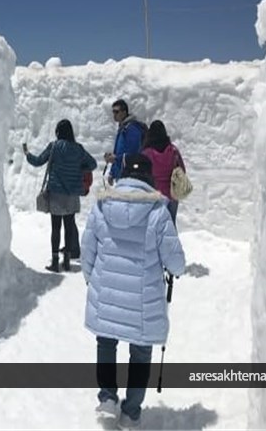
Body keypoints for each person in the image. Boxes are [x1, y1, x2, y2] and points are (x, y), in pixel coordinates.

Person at [81, 154, 185, 429]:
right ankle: (131, 412)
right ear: (149, 178)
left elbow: (88, 247)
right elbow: (176, 262)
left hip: (107, 293)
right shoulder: (158, 212)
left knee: (106, 343)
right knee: (140, 352)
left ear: (124, 175)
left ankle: (107, 398)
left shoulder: (102, 205)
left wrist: (92, 277)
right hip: (144, 300)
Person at [24, 119, 97, 273]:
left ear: (58, 132)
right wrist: (79, 167)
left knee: (55, 228)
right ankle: (67, 262)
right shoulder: (78, 149)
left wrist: (27, 154)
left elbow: (38, 161)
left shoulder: (54, 146)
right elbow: (93, 164)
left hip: (56, 193)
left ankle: (55, 261)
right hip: (72, 194)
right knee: (69, 227)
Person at [141, 120, 187, 225]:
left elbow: (142, 175)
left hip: (154, 194)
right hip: (173, 193)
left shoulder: (146, 153)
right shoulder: (173, 150)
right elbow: (182, 170)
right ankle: (172, 241)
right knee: (171, 224)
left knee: (155, 225)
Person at [104, 100, 147, 185]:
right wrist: (112, 173)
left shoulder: (132, 129)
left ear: (124, 112)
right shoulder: (123, 128)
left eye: (116, 112)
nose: (114, 115)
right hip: (122, 175)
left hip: (130, 176)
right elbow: (118, 152)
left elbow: (133, 155)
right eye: (113, 112)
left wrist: (115, 158)